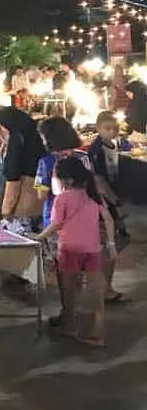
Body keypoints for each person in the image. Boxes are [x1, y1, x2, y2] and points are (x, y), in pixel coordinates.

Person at [33, 156, 116, 347]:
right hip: (92, 248)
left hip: (69, 249)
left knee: (68, 289)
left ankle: (70, 326)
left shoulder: (62, 199)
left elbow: (56, 224)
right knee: (96, 290)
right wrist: (111, 245)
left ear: (67, 180)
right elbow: (109, 219)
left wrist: (39, 237)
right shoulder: (94, 195)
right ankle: (98, 329)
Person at [85, 110, 131, 302]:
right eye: (108, 128)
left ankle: (104, 286)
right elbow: (99, 181)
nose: (112, 132)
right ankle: (104, 288)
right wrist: (115, 202)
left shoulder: (115, 145)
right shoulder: (95, 151)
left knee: (114, 243)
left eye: (115, 128)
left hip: (112, 200)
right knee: (111, 244)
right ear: (98, 128)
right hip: (105, 204)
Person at [0, 105, 46, 223]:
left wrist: (6, 210)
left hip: (23, 202)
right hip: (40, 200)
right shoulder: (34, 136)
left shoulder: (16, 140)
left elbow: (13, 179)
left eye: (1, 125)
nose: (0, 129)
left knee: (20, 237)